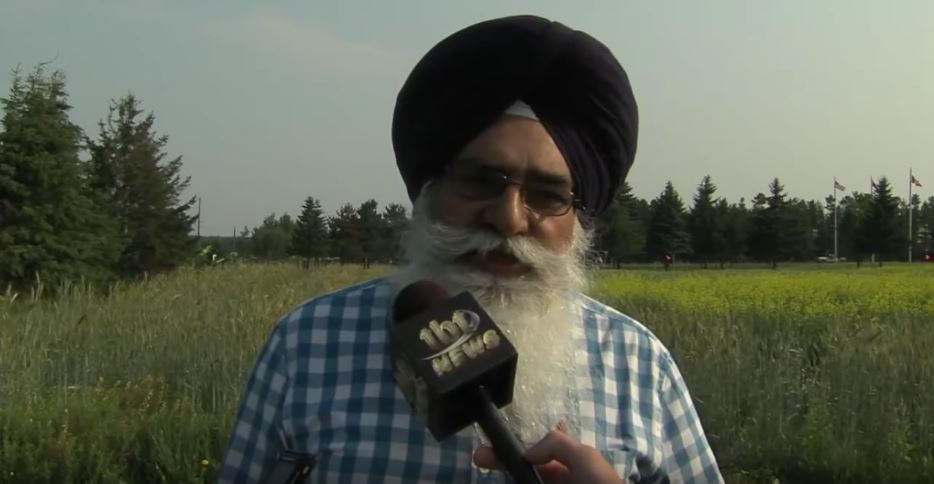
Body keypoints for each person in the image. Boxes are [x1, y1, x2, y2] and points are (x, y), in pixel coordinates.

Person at [218, 15, 724, 483]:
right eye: (481, 180)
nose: (507, 218)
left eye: (548, 195)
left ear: (579, 222)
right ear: (427, 191)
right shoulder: (308, 343)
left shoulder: (638, 363)